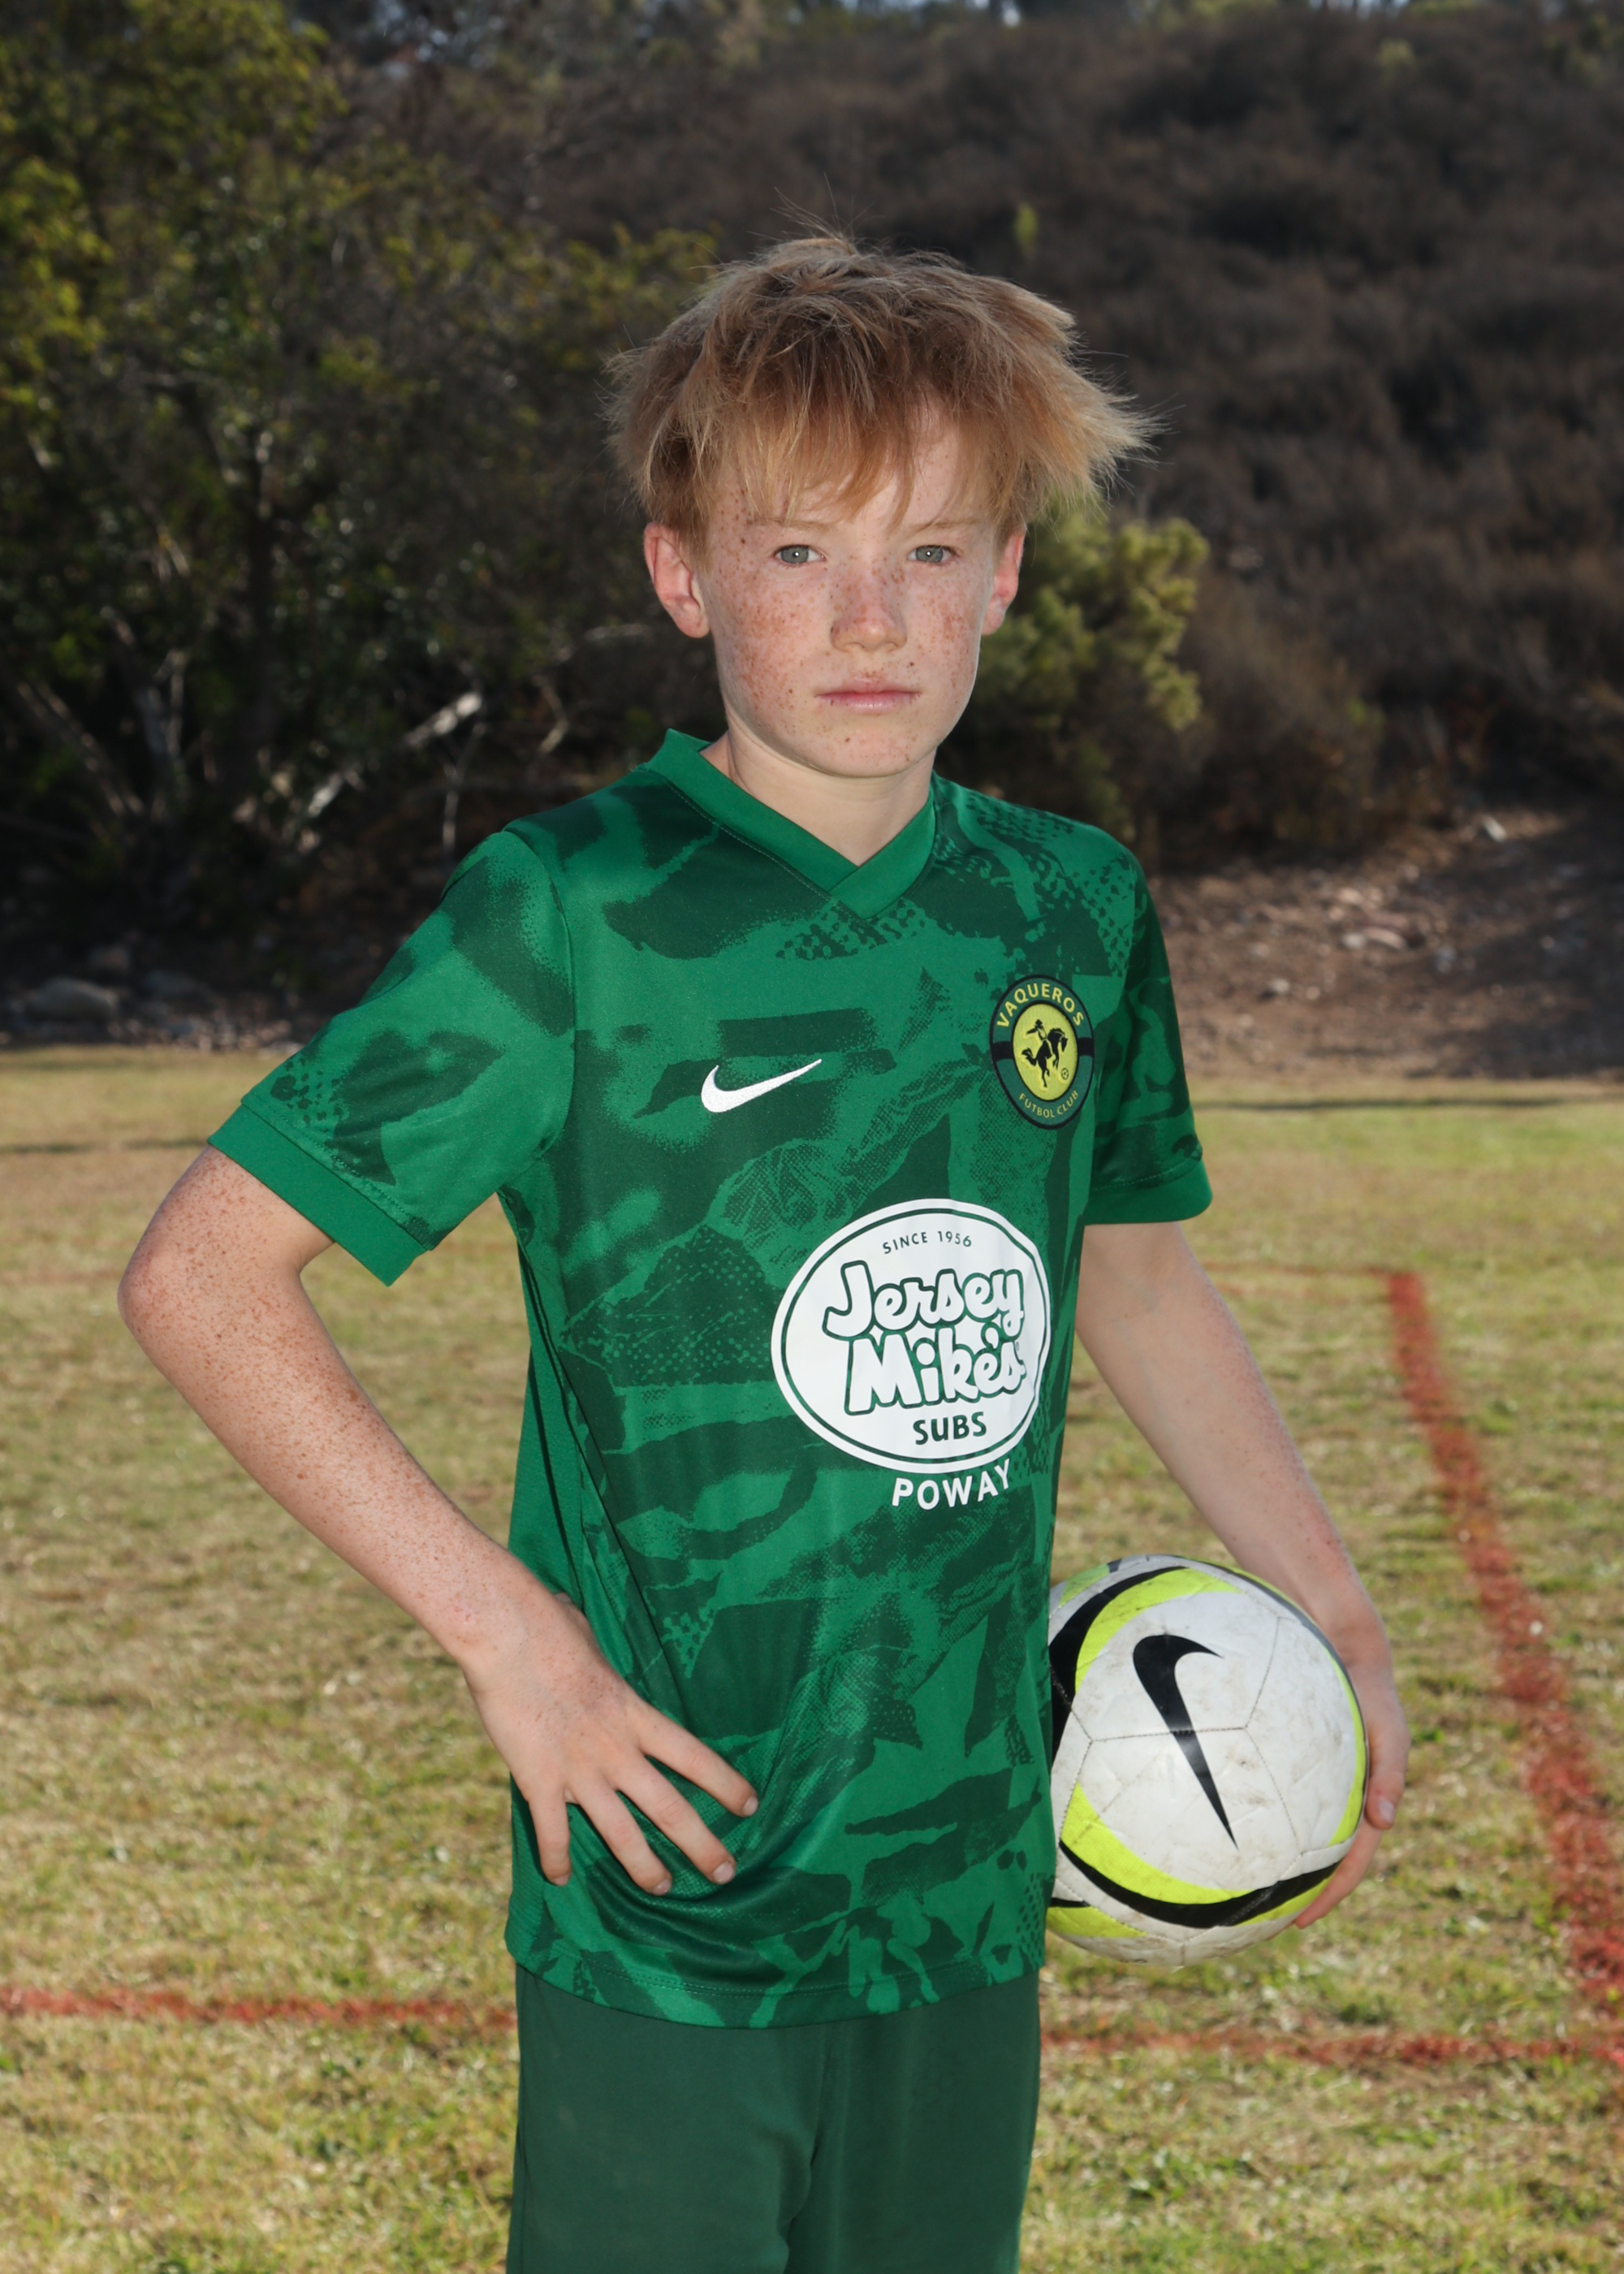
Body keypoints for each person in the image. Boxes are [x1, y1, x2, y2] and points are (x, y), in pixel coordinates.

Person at [120, 236, 1408, 2274]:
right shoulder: (575, 911)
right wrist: (511, 1639)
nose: (868, 617)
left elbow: (1138, 1280)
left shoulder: (1065, 909)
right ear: (683, 575)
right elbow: (202, 1275)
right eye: (799, 552)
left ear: (1004, 574)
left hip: (967, 1882)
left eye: (930, 551)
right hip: (674, 1893)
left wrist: (1329, 1606)